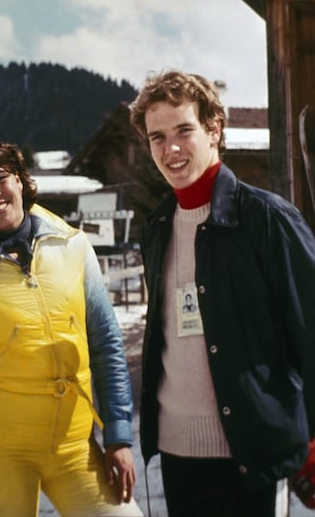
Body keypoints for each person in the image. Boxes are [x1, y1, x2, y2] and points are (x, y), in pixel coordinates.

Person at [129, 69, 315, 517]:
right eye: (157, 137)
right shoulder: (156, 229)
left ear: (214, 130)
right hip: (177, 454)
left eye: (183, 131)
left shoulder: (268, 220)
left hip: (252, 452)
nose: (170, 148)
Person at [0, 133, 143, 517]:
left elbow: (107, 344)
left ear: (19, 177)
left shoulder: (74, 246)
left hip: (76, 447)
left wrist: (119, 434)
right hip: (2, 451)